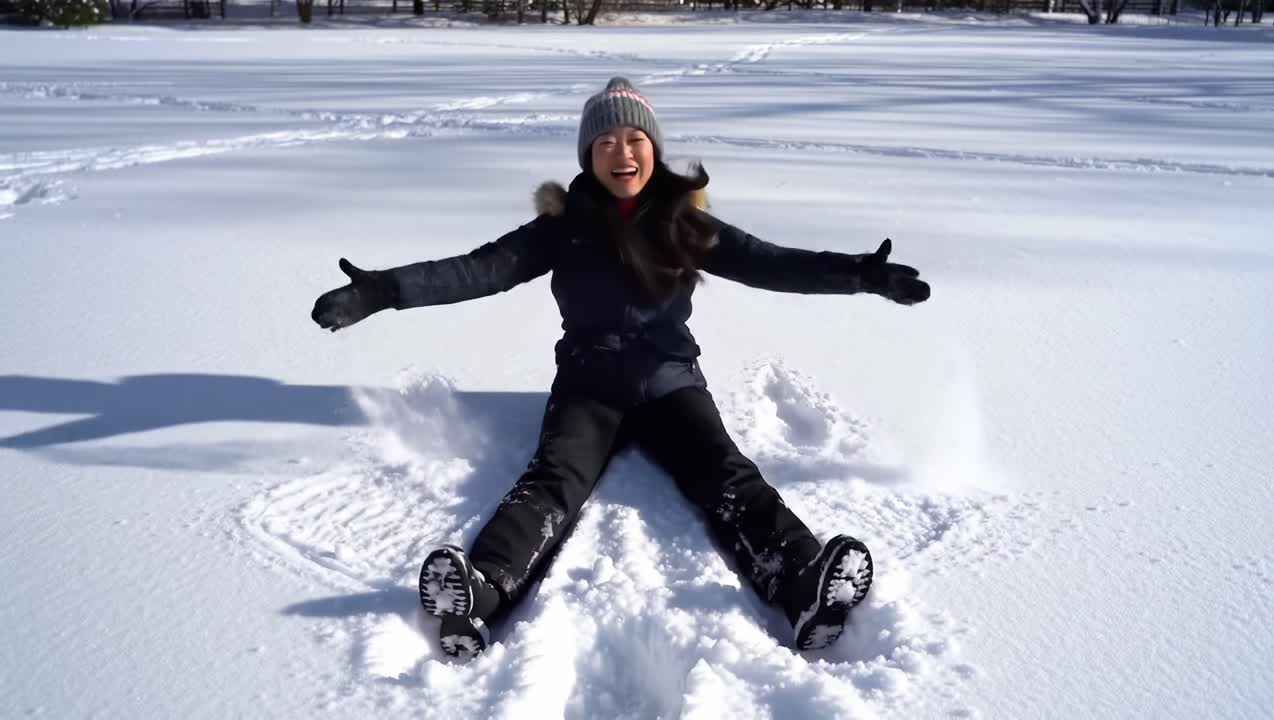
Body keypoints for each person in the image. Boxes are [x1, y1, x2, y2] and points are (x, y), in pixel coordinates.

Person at [310, 77, 930, 660]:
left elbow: (770, 262)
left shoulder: (685, 223)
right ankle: (482, 594)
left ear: (654, 150)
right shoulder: (561, 228)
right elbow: (479, 269)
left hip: (670, 383)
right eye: (605, 141)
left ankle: (802, 586)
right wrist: (385, 290)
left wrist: (859, 275)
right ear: (588, 156)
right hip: (589, 386)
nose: (622, 152)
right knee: (552, 482)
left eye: (635, 139)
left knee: (726, 474)